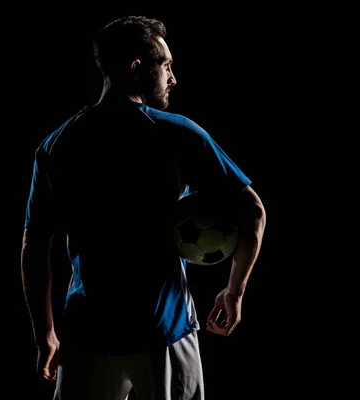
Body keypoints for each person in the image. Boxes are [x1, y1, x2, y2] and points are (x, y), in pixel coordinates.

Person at [20, 15, 266, 400]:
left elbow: (35, 246)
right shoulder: (176, 133)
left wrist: (44, 334)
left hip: (88, 332)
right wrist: (234, 292)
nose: (173, 77)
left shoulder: (58, 146)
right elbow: (252, 211)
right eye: (165, 65)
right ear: (136, 68)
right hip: (163, 330)